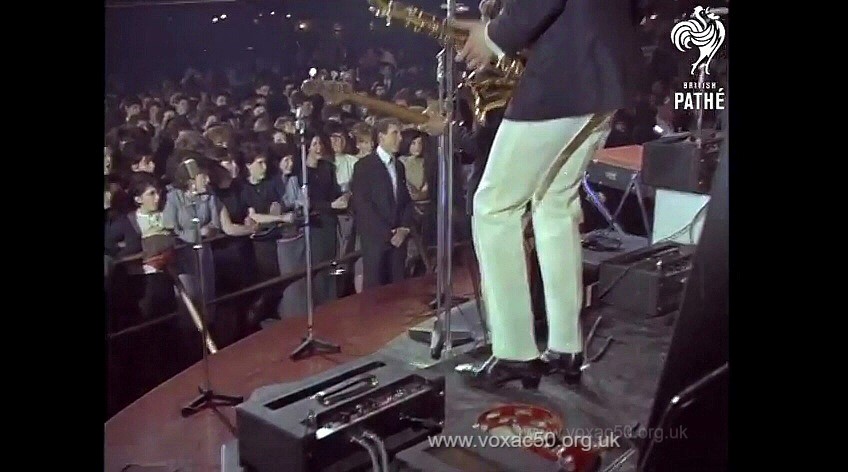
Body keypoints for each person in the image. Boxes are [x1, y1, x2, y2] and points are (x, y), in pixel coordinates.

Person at [450, 0, 642, 388]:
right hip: (606, 73)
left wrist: (495, 34)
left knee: (493, 206)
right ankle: (565, 346)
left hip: (563, 77)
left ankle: (515, 351)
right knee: (555, 202)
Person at [351, 118, 415, 289]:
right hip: (376, 243)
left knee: (398, 292)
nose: (400, 138)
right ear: (381, 137)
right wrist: (388, 234)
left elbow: (405, 201)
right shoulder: (363, 167)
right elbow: (363, 206)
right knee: (376, 295)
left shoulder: (399, 166)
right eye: (395, 133)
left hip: (398, 243)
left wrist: (404, 228)